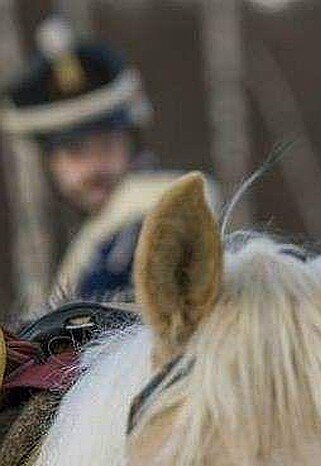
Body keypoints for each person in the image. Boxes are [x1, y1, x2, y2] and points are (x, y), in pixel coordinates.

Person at [1, 17, 194, 300]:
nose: (93, 167)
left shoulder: (160, 220)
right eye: (74, 152)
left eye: (106, 145)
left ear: (132, 143)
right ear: (50, 163)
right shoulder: (97, 239)